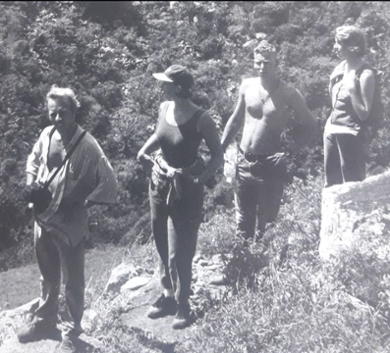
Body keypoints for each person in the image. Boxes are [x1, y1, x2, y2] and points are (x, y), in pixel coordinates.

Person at [17, 85, 118, 353]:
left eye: (63, 113)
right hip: (44, 217)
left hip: (70, 221)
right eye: (53, 114)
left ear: (74, 112)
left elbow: (109, 182)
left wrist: (85, 203)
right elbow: (34, 160)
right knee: (48, 273)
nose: (58, 119)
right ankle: (45, 320)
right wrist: (30, 184)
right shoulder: (47, 134)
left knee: (73, 279)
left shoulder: (88, 146)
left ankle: (73, 330)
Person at [137, 65, 223, 329]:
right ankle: (168, 296)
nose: (161, 86)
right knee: (161, 241)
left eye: (165, 82)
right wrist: (144, 151)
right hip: (160, 183)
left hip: (185, 189)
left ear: (177, 87)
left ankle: (184, 304)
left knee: (179, 250)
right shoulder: (164, 108)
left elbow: (218, 155)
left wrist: (200, 178)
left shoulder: (201, 118)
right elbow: (160, 135)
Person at [221, 40, 319, 242]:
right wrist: (219, 150)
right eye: (258, 63)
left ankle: (265, 270)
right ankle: (243, 268)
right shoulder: (247, 86)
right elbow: (235, 120)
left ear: (276, 63)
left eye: (267, 62)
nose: (262, 67)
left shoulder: (289, 93)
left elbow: (312, 126)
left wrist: (291, 150)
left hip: (271, 165)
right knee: (242, 222)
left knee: (267, 225)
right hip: (244, 161)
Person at [324, 25, 375, 187]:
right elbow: (335, 104)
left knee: (353, 185)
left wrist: (352, 87)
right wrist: (332, 81)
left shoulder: (366, 74)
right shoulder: (340, 68)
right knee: (331, 184)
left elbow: (364, 114)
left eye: (338, 43)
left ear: (352, 46)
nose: (334, 47)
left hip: (351, 134)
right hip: (332, 131)